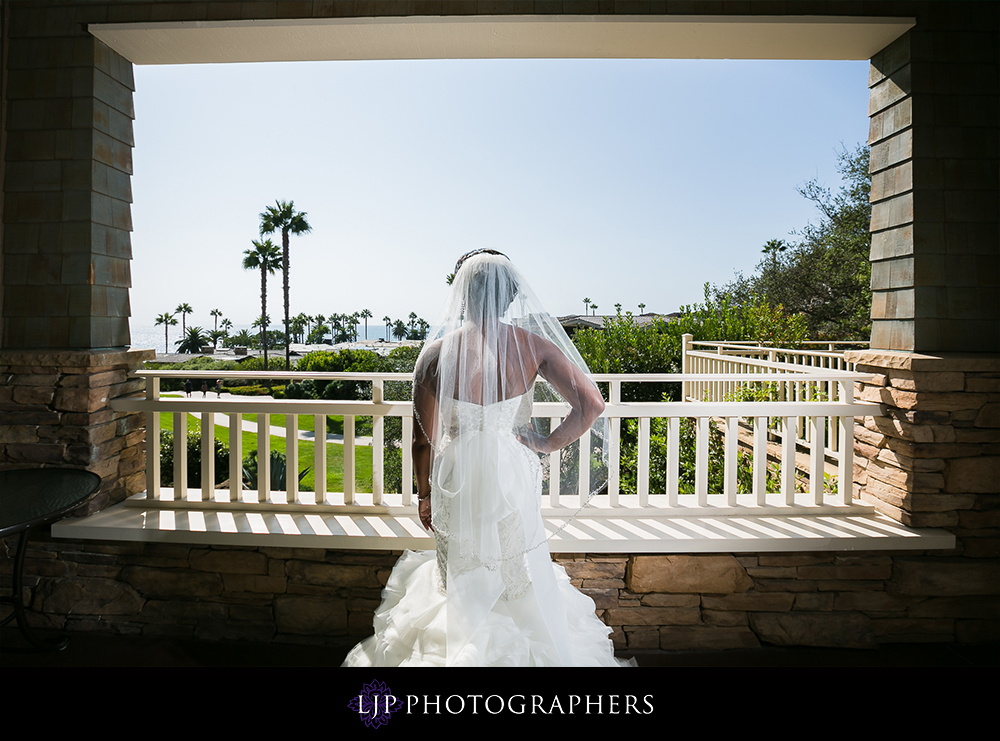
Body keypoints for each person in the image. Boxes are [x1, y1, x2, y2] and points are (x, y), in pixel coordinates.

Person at [343, 250, 629, 667]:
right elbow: (592, 404)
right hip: (511, 472)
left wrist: (424, 494)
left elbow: (423, 440)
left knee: (459, 572)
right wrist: (546, 444)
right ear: (511, 297)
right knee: (516, 571)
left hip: (455, 475)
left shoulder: (435, 354)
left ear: (461, 296)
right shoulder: (535, 347)